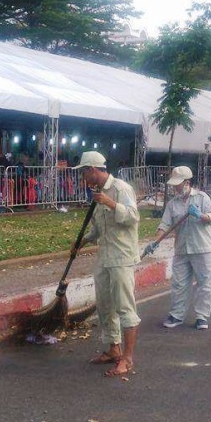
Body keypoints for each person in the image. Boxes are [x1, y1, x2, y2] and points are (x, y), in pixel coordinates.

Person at [75, 151, 141, 377]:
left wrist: (111, 203)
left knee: (124, 306)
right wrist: (83, 241)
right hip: (105, 256)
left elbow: (133, 217)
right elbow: (99, 226)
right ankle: (114, 349)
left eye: (84, 172)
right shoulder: (97, 192)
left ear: (92, 169)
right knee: (105, 304)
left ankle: (127, 359)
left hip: (122, 256)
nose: (83, 177)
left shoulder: (121, 189)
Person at [145, 166, 211, 330]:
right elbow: (165, 225)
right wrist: (155, 242)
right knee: (179, 283)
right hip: (182, 248)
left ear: (187, 183)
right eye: (174, 184)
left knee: (205, 283)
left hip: (202, 248)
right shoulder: (172, 204)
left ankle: (201, 317)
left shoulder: (202, 198)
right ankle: (176, 315)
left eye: (178, 184)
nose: (175, 187)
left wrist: (200, 215)